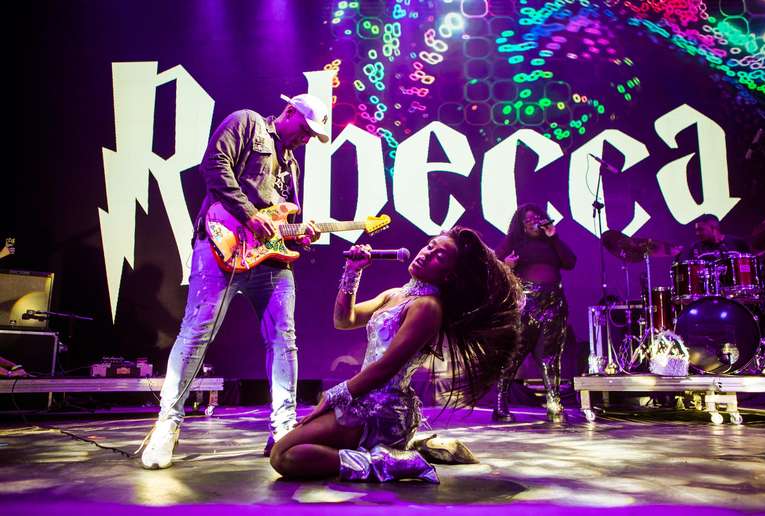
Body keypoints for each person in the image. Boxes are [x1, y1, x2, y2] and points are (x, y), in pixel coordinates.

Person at [139, 93, 329, 469]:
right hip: (220, 245)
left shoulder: (290, 164)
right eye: (304, 130)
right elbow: (213, 165)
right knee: (196, 333)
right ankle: (168, 424)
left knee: (284, 339)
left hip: (270, 261)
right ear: (289, 112)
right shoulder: (247, 121)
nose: (305, 139)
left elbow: (279, 222)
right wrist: (248, 214)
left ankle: (283, 429)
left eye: (311, 136)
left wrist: (299, 235)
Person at [269, 227, 525, 482]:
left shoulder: (427, 307)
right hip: (361, 399)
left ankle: (390, 461)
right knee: (285, 451)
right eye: (430, 246)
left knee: (284, 455)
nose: (426, 253)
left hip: (382, 411)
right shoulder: (396, 294)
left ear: (449, 275)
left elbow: (386, 368)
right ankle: (389, 453)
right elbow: (344, 320)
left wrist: (333, 395)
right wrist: (353, 271)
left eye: (439, 256)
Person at [494, 203, 576, 422]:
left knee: (550, 355)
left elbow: (570, 262)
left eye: (537, 218)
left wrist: (554, 237)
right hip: (526, 302)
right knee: (515, 352)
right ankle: (501, 403)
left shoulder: (551, 242)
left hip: (554, 302)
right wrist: (506, 265)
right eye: (528, 220)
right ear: (521, 224)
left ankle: (554, 402)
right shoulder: (514, 242)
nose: (533, 223)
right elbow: (494, 264)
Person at [677, 214, 750, 260]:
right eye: (696, 230)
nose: (697, 233)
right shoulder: (696, 248)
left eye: (701, 230)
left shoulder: (737, 243)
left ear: (714, 228)